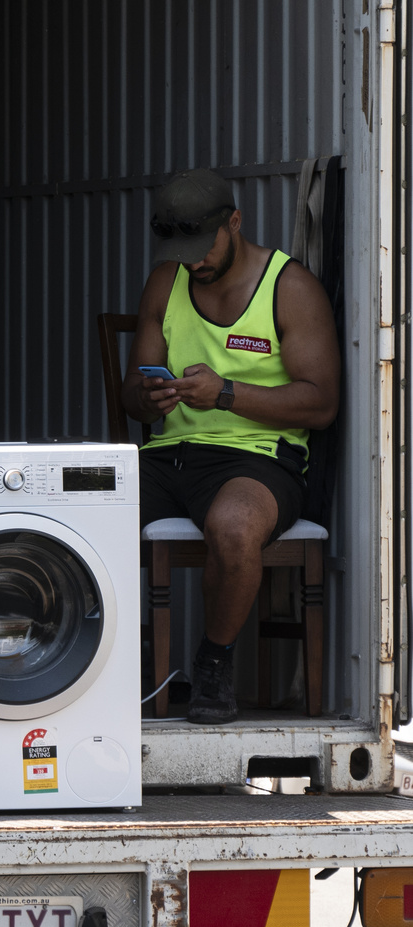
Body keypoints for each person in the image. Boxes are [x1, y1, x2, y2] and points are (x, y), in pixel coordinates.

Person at [121, 168, 340, 723]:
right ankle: (122, 664)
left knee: (236, 526)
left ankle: (213, 668)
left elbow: (320, 403)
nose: (193, 261)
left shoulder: (289, 288)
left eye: (203, 246)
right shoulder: (164, 281)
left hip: (259, 460)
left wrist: (226, 395)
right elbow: (131, 396)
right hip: (167, 456)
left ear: (234, 223)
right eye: (181, 250)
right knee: (77, 511)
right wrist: (149, 397)